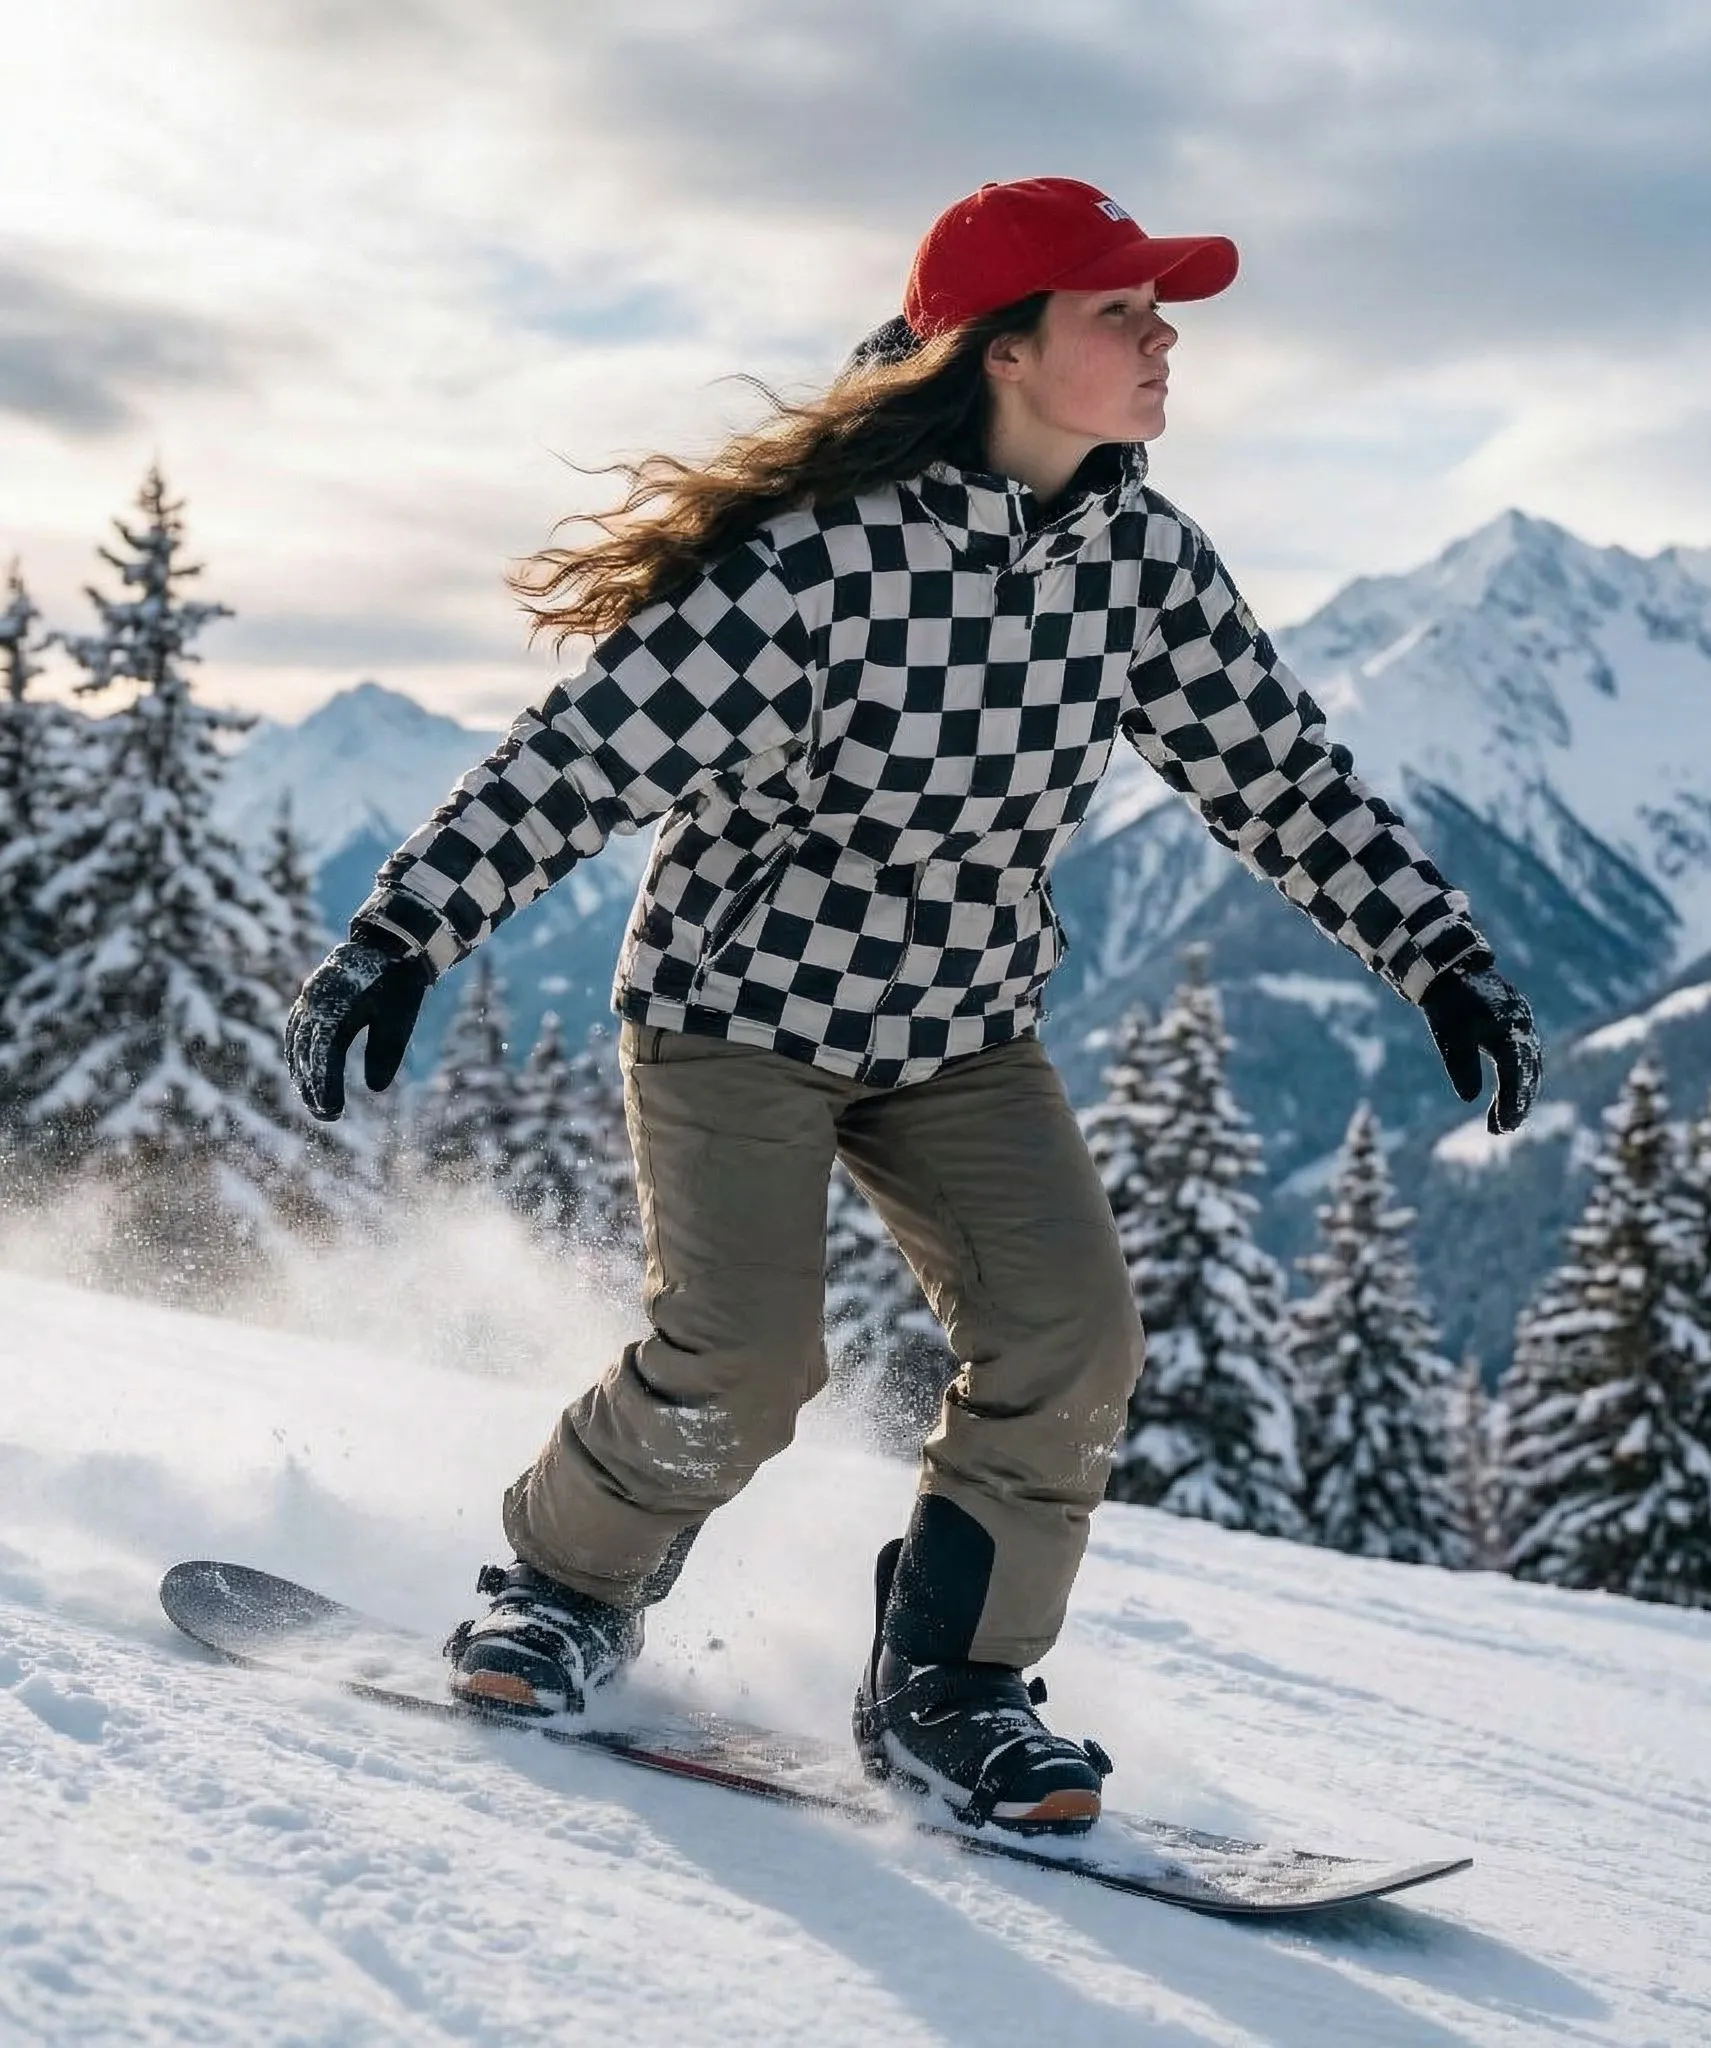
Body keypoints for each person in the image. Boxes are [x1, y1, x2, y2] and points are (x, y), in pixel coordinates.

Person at [284, 175, 1542, 1837]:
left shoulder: (1140, 561)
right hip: (741, 1003)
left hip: (960, 1028)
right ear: (1006, 349)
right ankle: (565, 1590)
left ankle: (952, 1682)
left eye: (1161, 310)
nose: (1166, 340)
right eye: (1124, 311)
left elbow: (1282, 782)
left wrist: (1438, 953)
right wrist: (403, 932)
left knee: (1071, 1339)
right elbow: (588, 751)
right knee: (743, 1358)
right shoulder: (816, 560)